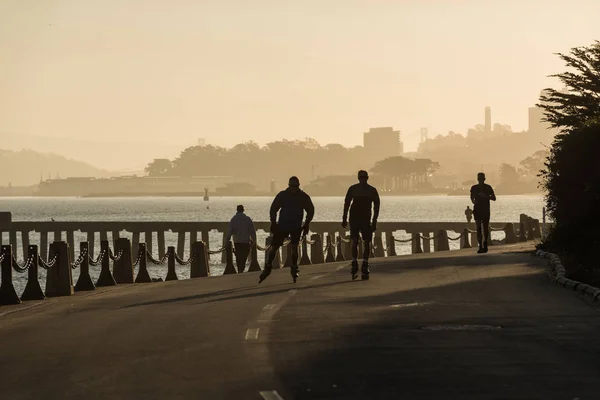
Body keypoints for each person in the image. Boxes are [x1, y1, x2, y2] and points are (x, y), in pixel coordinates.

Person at [259, 176, 314, 284]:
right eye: (292, 186)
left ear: (298, 186)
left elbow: (311, 210)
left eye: (295, 186)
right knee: (274, 247)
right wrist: (273, 222)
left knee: (294, 248)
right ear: (289, 186)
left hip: (295, 226)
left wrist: (307, 223)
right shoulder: (283, 195)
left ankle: (294, 267)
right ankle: (268, 266)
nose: (294, 188)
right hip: (283, 225)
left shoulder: (303, 197)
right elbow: (273, 208)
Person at [342, 170, 380, 280]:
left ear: (367, 178)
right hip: (354, 219)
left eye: (364, 177)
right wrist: (344, 218)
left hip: (365, 219)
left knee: (366, 241)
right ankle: (354, 262)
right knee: (354, 241)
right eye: (361, 178)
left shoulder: (372, 190)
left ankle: (365, 263)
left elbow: (377, 206)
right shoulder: (353, 189)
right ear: (359, 178)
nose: (363, 179)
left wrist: (374, 221)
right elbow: (347, 203)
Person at [224, 205, 257, 273]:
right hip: (245, 242)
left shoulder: (233, 219)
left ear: (237, 210)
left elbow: (230, 231)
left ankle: (240, 269)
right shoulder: (247, 219)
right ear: (243, 210)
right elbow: (252, 231)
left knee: (238, 257)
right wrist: (254, 240)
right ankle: (241, 268)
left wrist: (227, 240)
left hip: (237, 242)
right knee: (244, 257)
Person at [470, 172, 496, 253]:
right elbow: (471, 197)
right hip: (477, 209)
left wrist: (486, 196)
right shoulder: (474, 188)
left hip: (485, 210)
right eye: (479, 178)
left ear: (484, 179)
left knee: (485, 228)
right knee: (478, 228)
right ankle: (480, 245)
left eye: (481, 178)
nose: (480, 180)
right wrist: (474, 202)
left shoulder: (488, 188)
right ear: (477, 179)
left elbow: (494, 198)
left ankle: (484, 244)